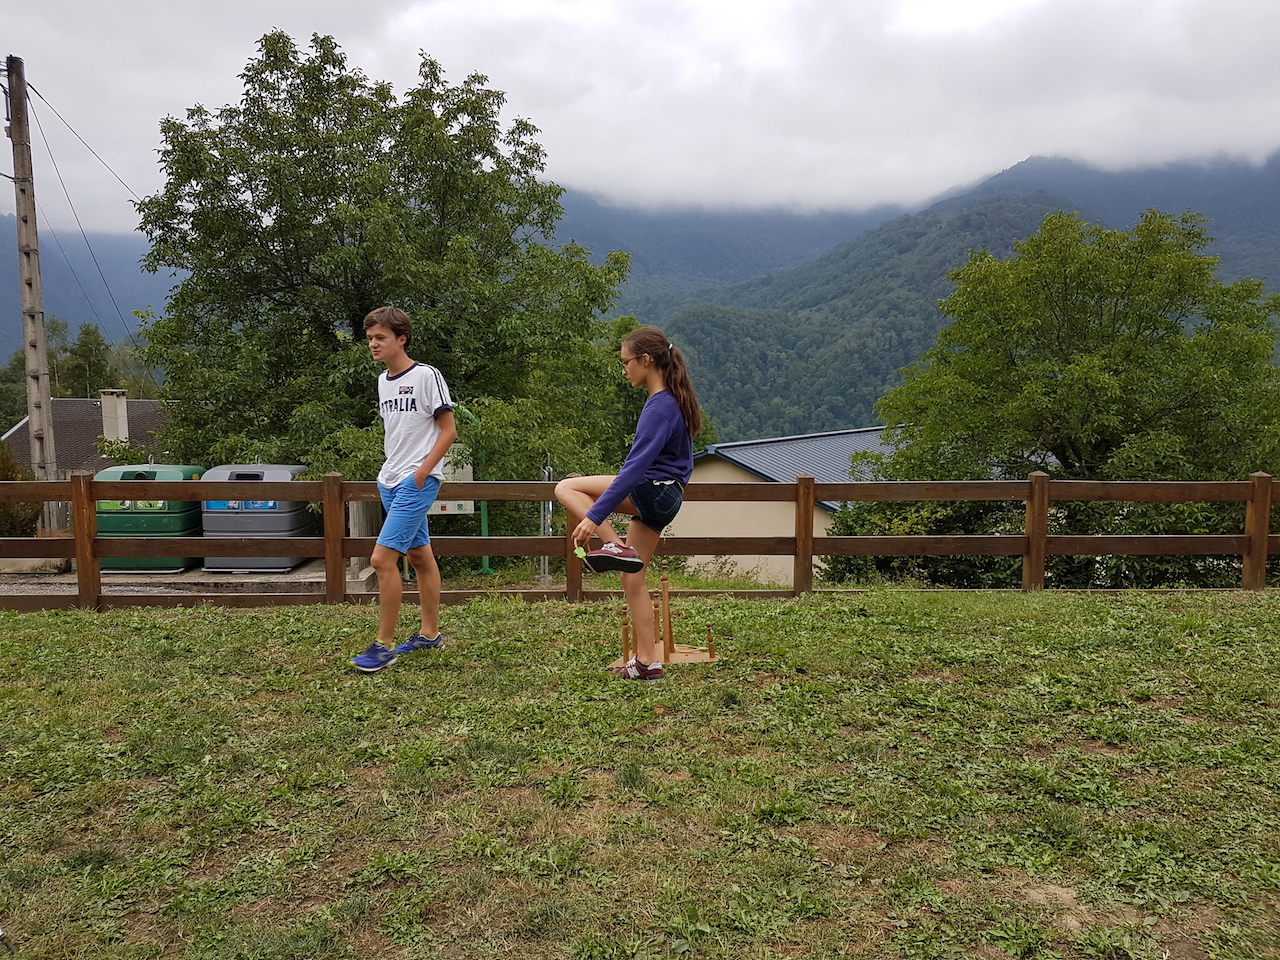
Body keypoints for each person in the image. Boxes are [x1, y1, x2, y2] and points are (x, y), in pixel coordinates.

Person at [555, 326, 702, 681]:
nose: (624, 369)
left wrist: (595, 518)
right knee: (631, 577)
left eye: (626, 362)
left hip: (652, 488)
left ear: (646, 360)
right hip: (669, 497)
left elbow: (634, 467)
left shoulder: (659, 407)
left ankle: (611, 544)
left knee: (565, 488)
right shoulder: (676, 401)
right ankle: (647, 662)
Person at [350, 306, 457, 673]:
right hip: (390, 480)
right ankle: (429, 634)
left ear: (401, 339)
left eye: (380, 338)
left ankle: (383, 645)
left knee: (381, 560)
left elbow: (449, 431)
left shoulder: (427, 375)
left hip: (417, 480)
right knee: (419, 557)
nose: (373, 344)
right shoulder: (383, 381)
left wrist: (424, 471)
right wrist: (392, 476)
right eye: (370, 339)